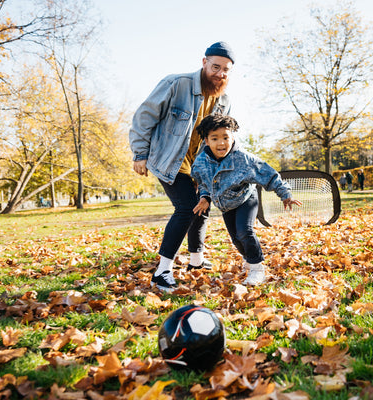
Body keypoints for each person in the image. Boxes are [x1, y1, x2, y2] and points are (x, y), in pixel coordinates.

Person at [129, 42, 235, 292]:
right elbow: (144, 116)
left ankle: (196, 261)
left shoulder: (224, 100)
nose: (220, 73)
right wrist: (139, 153)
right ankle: (162, 272)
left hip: (197, 165)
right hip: (168, 160)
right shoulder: (176, 84)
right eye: (215, 67)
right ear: (204, 62)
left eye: (226, 70)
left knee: (202, 205)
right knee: (186, 208)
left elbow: (220, 138)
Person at [191, 114, 302, 286]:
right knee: (236, 238)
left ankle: (258, 268)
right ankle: (249, 260)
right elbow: (204, 182)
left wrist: (285, 194)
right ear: (206, 141)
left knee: (244, 231)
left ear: (232, 137)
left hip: (245, 198)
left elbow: (269, 175)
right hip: (226, 205)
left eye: (226, 137)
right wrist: (205, 197)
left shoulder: (243, 159)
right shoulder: (200, 163)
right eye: (215, 138)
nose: (221, 143)